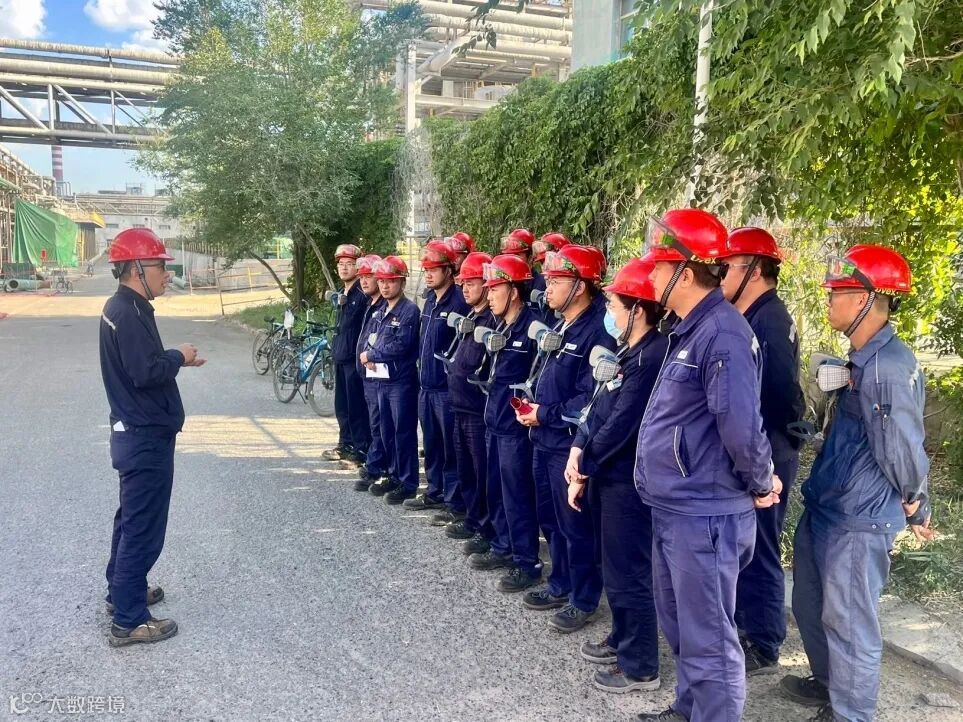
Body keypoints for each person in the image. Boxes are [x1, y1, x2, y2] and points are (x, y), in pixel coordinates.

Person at [634, 208, 781, 722]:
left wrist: (760, 482)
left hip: (706, 515)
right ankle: (688, 710)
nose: (651, 274)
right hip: (678, 508)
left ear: (685, 272)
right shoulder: (691, 329)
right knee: (682, 628)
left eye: (659, 265)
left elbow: (741, 425)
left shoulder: (722, 334)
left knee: (711, 644)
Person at [780, 244, 932, 722]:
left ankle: (850, 714)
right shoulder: (862, 360)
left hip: (859, 520)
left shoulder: (887, 370)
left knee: (850, 625)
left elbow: (903, 449)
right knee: (811, 605)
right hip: (830, 505)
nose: (828, 300)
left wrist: (916, 502)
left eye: (837, 293)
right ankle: (830, 684)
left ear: (866, 299)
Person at [565, 255, 668, 694]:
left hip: (628, 482)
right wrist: (579, 447)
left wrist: (583, 466)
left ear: (638, 310)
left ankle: (641, 665)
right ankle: (623, 638)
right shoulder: (630, 350)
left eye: (614, 305)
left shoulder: (652, 357)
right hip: (608, 476)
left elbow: (622, 425)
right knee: (615, 567)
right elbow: (597, 406)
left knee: (630, 572)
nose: (609, 313)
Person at [99, 228, 206, 647]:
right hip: (143, 437)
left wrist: (176, 360)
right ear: (136, 268)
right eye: (160, 265)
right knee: (142, 528)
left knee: (131, 519)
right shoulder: (127, 312)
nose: (167, 273)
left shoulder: (129, 307)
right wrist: (179, 355)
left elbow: (140, 365)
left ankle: (121, 591)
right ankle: (129, 620)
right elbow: (145, 372)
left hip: (137, 432)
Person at [718, 227, 806, 674]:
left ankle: (765, 642)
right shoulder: (749, 315)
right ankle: (744, 627)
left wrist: (770, 448)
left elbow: (777, 393)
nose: (720, 276)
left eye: (727, 267)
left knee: (761, 547)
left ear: (754, 270)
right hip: (759, 446)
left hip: (769, 448)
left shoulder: (768, 320)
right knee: (745, 544)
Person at [515, 244, 615, 633]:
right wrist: (533, 407)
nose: (548, 287)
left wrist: (544, 413)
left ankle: (584, 598)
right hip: (543, 439)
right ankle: (560, 583)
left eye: (557, 280)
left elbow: (591, 397)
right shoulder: (562, 324)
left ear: (581, 285)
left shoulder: (599, 330)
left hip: (567, 444)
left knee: (575, 525)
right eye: (549, 279)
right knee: (551, 519)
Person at [470, 254, 543, 595]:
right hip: (494, 424)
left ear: (514, 291)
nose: (489, 296)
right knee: (497, 490)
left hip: (515, 430)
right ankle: (503, 546)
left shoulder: (532, 329)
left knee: (517, 496)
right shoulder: (503, 326)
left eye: (495, 289)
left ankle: (526, 562)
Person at [405, 240, 470, 525]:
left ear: (449, 270)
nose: (429, 274)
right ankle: (434, 490)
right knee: (431, 443)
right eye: (426, 269)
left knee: (450, 447)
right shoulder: (430, 300)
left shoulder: (458, 302)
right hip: (426, 387)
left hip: (446, 389)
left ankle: (454, 501)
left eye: (434, 269)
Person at [444, 252, 498, 549]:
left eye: (472, 283)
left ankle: (486, 528)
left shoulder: (492, 321)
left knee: (481, 472)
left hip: (477, 410)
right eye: (463, 283)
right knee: (465, 468)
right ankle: (472, 518)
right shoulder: (472, 317)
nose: (465, 289)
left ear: (486, 286)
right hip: (460, 406)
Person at [359, 256, 421, 505]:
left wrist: (372, 355)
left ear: (402, 282)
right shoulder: (380, 310)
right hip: (381, 381)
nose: (385, 286)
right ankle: (393, 475)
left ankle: (407, 482)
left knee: (402, 431)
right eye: (382, 281)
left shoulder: (409, 311)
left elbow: (400, 345)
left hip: (400, 382)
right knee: (386, 431)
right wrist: (368, 355)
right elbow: (371, 338)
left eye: (391, 281)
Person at [323, 244, 370, 467]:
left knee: (356, 407)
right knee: (342, 406)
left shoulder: (362, 294)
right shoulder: (344, 293)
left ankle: (360, 450)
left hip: (354, 359)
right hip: (341, 356)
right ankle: (345, 443)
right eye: (341, 264)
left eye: (349, 264)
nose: (344, 268)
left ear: (357, 267)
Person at [353, 254, 391, 492]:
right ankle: (376, 463)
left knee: (381, 425)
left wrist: (372, 357)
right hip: (368, 374)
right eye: (362, 277)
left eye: (370, 276)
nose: (365, 281)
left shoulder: (384, 306)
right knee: (375, 423)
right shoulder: (371, 304)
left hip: (380, 375)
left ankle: (378, 467)